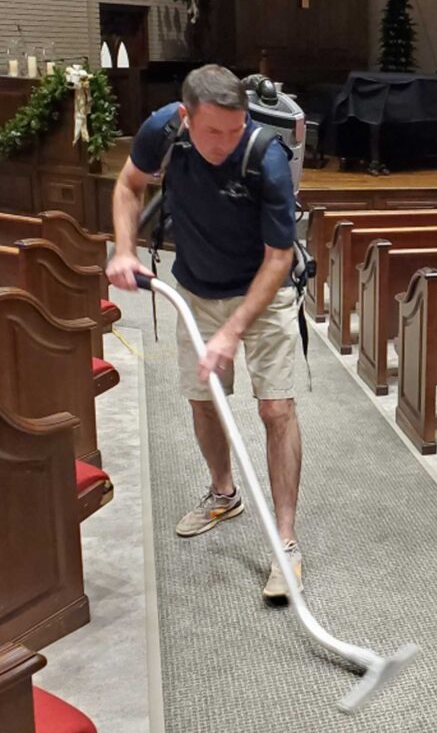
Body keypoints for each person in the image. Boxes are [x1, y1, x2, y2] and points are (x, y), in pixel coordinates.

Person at [107, 64, 302, 600]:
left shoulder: (267, 157)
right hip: (193, 291)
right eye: (213, 131)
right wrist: (123, 248)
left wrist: (233, 331)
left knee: (276, 410)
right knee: (203, 402)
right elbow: (128, 185)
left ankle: (285, 542)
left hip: (263, 293)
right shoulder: (162, 131)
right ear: (186, 116)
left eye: (234, 129)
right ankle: (223, 493)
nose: (225, 142)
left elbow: (279, 257)